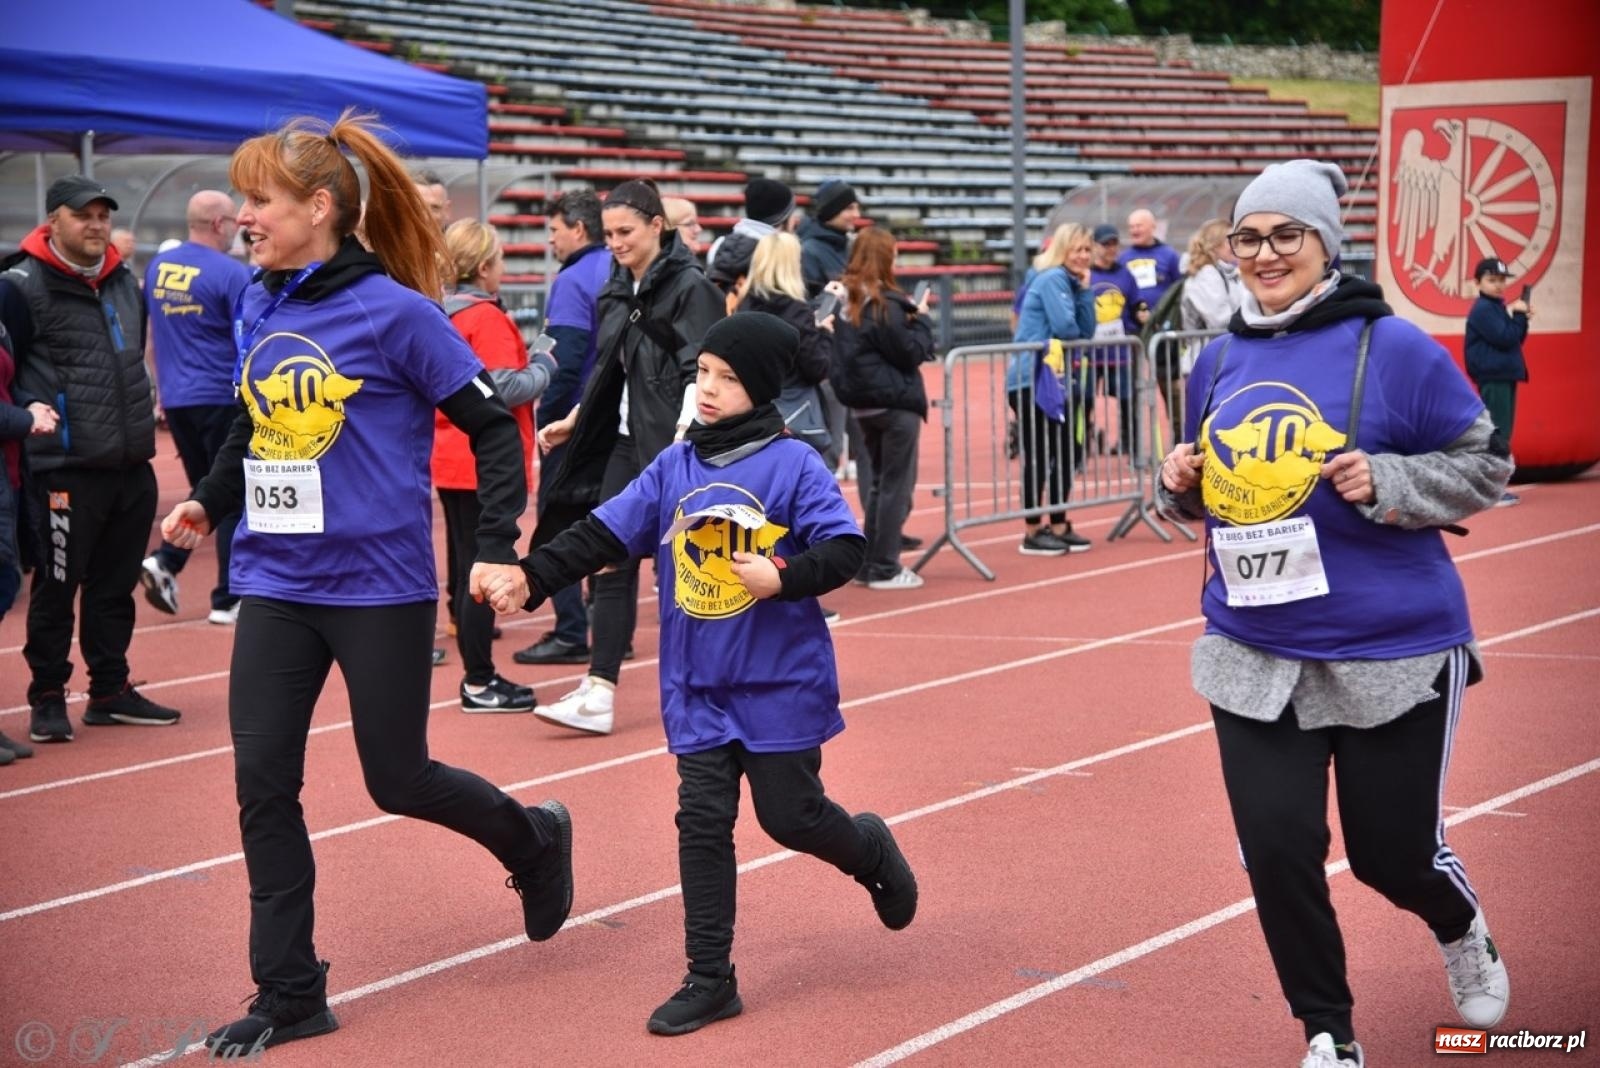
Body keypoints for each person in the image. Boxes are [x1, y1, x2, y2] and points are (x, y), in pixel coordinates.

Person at [156, 110, 574, 1056]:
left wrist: (496, 543)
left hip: (375, 585)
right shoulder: (262, 300)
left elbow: (490, 431)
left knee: (398, 778)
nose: (248, 219)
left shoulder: (398, 314)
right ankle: (291, 989)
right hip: (274, 580)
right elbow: (251, 425)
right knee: (262, 783)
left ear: (320, 206)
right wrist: (209, 506)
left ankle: (532, 840)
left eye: (259, 201)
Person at [1155, 159, 1513, 1068]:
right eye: (1249, 236)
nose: (1266, 254)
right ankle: (1329, 1032)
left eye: (1287, 235)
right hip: (1253, 646)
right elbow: (1217, 493)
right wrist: (1181, 484)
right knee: (1276, 850)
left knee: (1391, 855)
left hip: (1390, 650)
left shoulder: (1392, 349)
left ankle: (1458, 922)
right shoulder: (1221, 357)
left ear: (1325, 245)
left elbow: (1485, 467)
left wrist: (1386, 479)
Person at [484, 312, 918, 1037]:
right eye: (704, 373)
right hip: (698, 682)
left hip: (777, 678)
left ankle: (868, 847)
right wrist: (528, 579)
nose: (708, 389)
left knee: (791, 817)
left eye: (728, 378)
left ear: (763, 388)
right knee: (702, 821)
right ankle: (710, 976)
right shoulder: (675, 466)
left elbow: (845, 548)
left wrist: (782, 574)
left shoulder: (793, 464)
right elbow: (601, 532)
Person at [531, 179, 724, 734]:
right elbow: (609, 364)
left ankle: (705, 687)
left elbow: (704, 369)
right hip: (620, 441)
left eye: (625, 232)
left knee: (684, 571)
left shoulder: (691, 286)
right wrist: (578, 417)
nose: (614, 242)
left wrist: (686, 436)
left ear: (656, 227)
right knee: (610, 559)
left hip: (673, 447)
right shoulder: (615, 285)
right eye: (609, 233)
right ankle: (598, 691)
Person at [0, 175, 182, 743]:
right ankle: (47, 697)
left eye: (103, 216)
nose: (96, 225)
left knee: (113, 587)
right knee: (57, 586)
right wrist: (27, 410)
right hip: (64, 467)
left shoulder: (124, 279)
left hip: (131, 462)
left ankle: (109, 690)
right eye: (84, 215)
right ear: (53, 219)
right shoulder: (19, 285)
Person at [435, 219, 556, 711]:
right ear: (484, 266)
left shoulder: (443, 312)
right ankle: (479, 678)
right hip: (480, 457)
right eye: (500, 260)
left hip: (449, 452)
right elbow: (502, 387)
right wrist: (545, 363)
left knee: (466, 563)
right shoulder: (483, 317)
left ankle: (476, 672)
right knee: (485, 572)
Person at [139, 190, 253, 624]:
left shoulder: (157, 268)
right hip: (219, 395)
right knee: (228, 495)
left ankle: (167, 561)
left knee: (206, 491)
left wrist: (161, 392)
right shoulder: (230, 273)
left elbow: (151, 335)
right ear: (220, 224)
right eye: (236, 225)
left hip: (178, 398)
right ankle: (227, 598)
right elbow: (248, 342)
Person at [512, 190, 613, 667]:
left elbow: (564, 360)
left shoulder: (574, 279)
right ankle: (614, 631)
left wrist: (548, 419)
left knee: (556, 529)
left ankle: (572, 630)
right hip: (618, 422)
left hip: (576, 424)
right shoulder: (620, 267)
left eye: (553, 230)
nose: (549, 240)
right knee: (612, 525)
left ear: (578, 228)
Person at [830, 227, 935, 589]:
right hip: (893, 403)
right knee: (893, 486)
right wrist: (920, 318)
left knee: (878, 486)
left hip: (863, 405)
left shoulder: (846, 300)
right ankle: (885, 566)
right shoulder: (885, 302)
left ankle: (869, 563)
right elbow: (909, 352)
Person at [1010, 223, 1096, 556]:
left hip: (1057, 379)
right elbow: (1066, 328)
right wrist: (1079, 301)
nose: (1084, 256)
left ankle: (1059, 522)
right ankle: (1032, 530)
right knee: (1040, 454)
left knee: (1067, 452)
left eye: (1087, 250)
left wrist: (1086, 292)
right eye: (1077, 249)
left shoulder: (1073, 284)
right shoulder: (1052, 279)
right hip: (1031, 378)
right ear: (1062, 250)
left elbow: (1085, 332)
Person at [1, 319, 56, 766]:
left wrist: (30, 404)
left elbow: (8, 384)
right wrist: (25, 419)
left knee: (4, 586)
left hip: (11, 476)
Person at [1463, 256, 1530, 507]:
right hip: (1494, 376)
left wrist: (1520, 318)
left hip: (1501, 375)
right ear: (1477, 282)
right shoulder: (1483, 309)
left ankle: (1490, 487)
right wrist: (1520, 317)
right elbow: (1506, 337)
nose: (1499, 285)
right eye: (1492, 280)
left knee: (1500, 432)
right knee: (1496, 433)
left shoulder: (1494, 307)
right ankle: (1491, 490)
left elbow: (1512, 338)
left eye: (1502, 280)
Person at [1087, 222, 1141, 458]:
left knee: (1128, 399)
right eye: (1105, 244)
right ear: (1094, 246)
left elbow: (1136, 304)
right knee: (1083, 400)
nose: (1110, 249)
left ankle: (1129, 445)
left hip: (1119, 351)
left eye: (1114, 244)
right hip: (1088, 351)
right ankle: (1079, 450)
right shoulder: (1086, 274)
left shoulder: (1124, 273)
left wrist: (1141, 313)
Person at [706, 177, 799, 299]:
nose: (795, 220)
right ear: (782, 218)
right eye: (792, 213)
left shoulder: (719, 243)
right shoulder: (781, 254)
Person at [800, 179, 859, 298]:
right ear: (831, 211)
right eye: (849, 208)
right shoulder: (808, 252)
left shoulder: (850, 245)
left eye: (857, 208)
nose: (857, 215)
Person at [1119, 207, 1182, 314]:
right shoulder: (1122, 258)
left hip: (1162, 319)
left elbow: (1179, 287)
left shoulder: (1169, 255)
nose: (1134, 230)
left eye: (1139, 226)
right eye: (1131, 227)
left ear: (1152, 227)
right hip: (1131, 323)